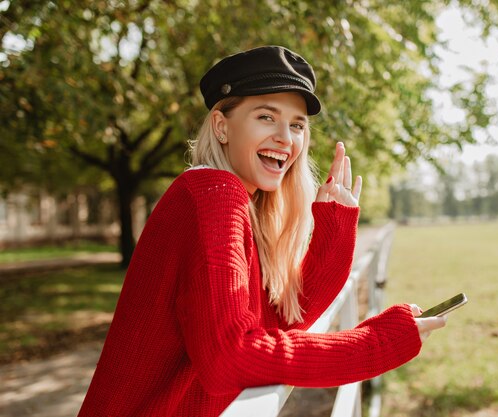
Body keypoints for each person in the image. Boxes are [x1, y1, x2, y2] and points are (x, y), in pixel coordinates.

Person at [78, 45, 446, 417]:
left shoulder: (233, 200)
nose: (287, 138)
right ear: (222, 126)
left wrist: (335, 223)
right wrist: (376, 344)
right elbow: (232, 356)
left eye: (298, 124)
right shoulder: (215, 195)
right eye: (266, 117)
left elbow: (282, 320)